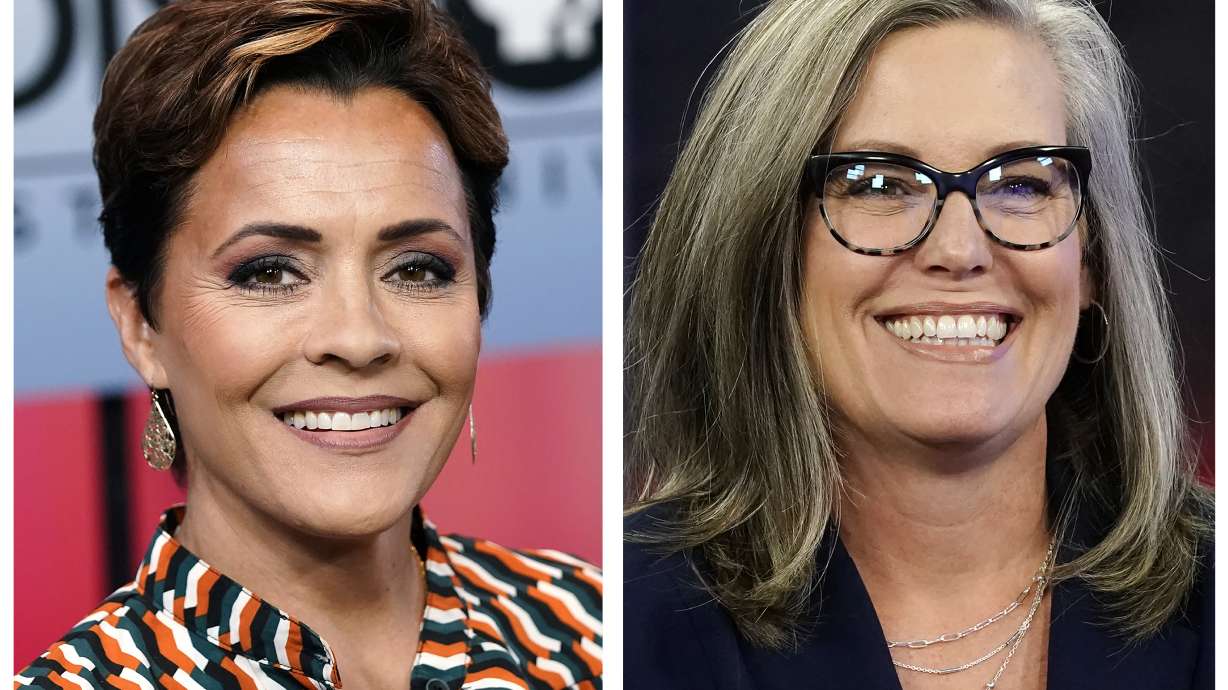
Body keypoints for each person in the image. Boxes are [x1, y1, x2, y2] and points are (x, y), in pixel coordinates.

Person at [624, 0, 1211, 688]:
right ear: (769, 249)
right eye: (880, 184)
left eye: (1020, 183)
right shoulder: (628, 629)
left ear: (1091, 260)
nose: (959, 249)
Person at [16, 2, 602, 689]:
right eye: (269, 272)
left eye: (417, 268)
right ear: (141, 326)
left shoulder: (590, 626)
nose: (358, 338)